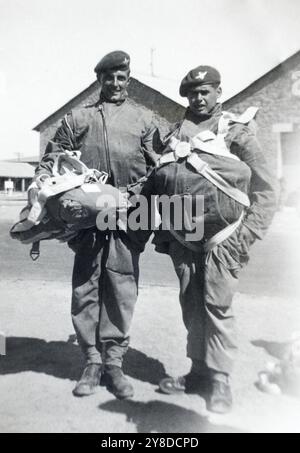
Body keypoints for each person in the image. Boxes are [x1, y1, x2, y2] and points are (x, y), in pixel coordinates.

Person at [133, 65, 277, 413]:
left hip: (224, 239)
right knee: (192, 306)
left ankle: (220, 380)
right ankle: (198, 372)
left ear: (218, 93)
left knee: (218, 307)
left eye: (205, 92)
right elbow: (155, 183)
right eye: (193, 93)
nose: (199, 98)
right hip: (184, 240)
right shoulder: (172, 135)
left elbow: (267, 190)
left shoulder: (235, 131)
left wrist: (245, 237)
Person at [34, 50, 159, 399]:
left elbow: (159, 168)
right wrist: (45, 190)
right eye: (109, 78)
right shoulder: (77, 119)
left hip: (129, 217)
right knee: (86, 286)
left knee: (121, 288)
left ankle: (114, 362)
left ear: (129, 79)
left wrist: (134, 196)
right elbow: (52, 161)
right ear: (99, 80)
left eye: (122, 78)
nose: (116, 84)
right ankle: (91, 360)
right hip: (87, 220)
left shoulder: (145, 120)